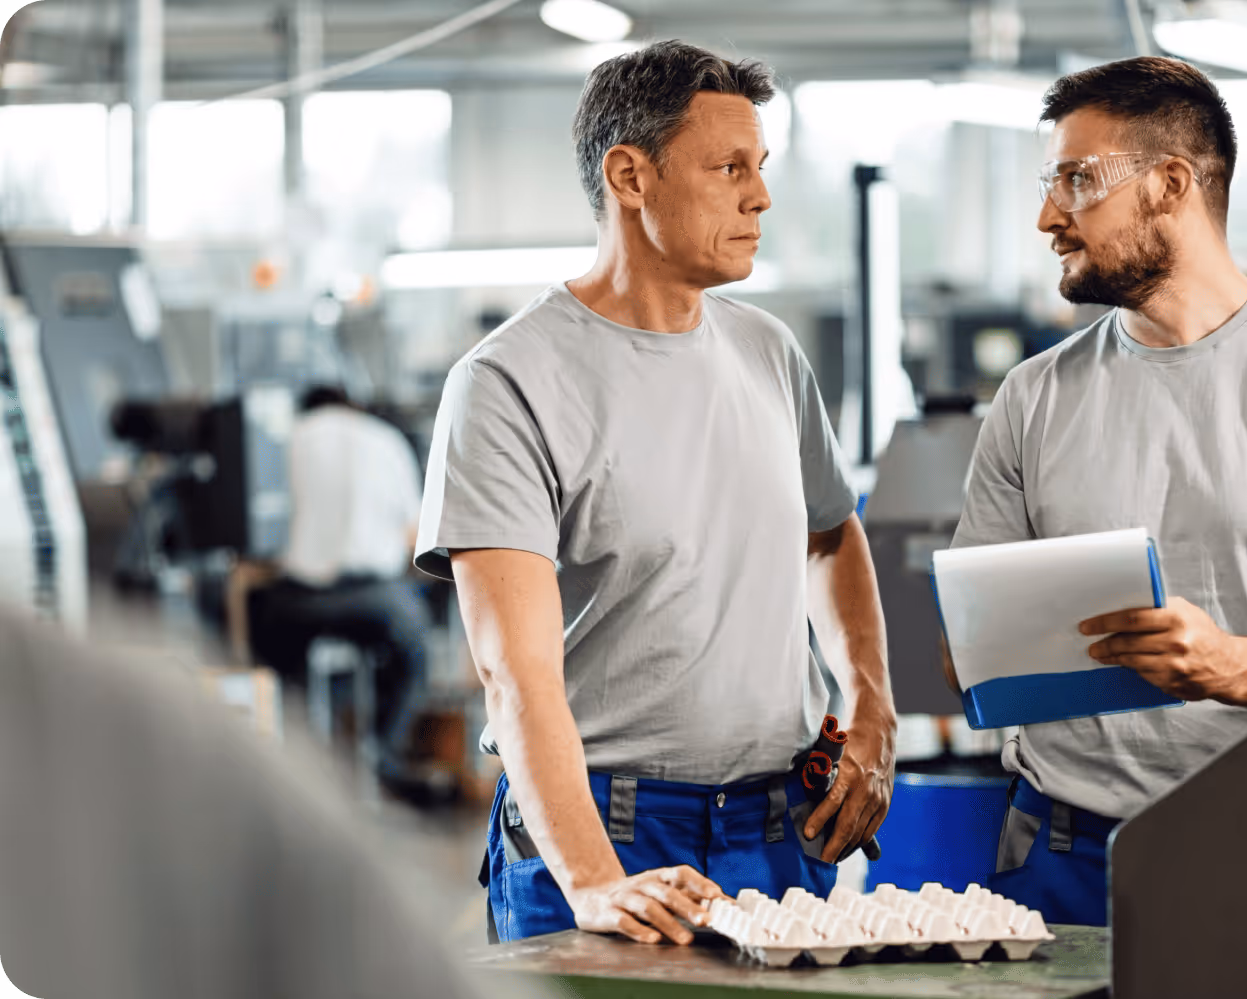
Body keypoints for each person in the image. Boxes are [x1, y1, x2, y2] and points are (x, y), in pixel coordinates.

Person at [415, 40, 897, 946]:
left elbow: (831, 537)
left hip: (778, 828)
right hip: (607, 826)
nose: (760, 196)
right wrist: (595, 879)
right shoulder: (509, 382)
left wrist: (871, 710)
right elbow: (513, 671)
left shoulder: (770, 355)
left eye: (761, 169)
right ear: (630, 176)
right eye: (729, 169)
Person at [948, 56, 1247, 926]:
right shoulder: (1031, 395)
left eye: (1076, 180)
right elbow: (970, 645)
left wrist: (1228, 665)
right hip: (1059, 853)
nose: (1047, 216)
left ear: (1169, 183)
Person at [0, 609, 543, 999]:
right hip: (357, 616)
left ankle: (383, 760)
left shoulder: (133, 739)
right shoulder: (137, 736)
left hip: (287, 617)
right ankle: (386, 756)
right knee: (408, 637)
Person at [247, 384, 431, 789]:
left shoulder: (285, 438)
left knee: (270, 650)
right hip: (373, 600)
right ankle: (382, 755)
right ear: (352, 405)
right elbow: (413, 535)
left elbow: (262, 531)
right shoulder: (385, 440)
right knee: (414, 650)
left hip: (295, 601)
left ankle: (290, 757)